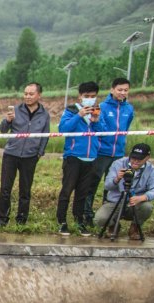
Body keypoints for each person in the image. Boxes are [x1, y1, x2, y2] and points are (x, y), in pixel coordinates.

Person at [0, 82, 50, 226]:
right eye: (25, 93)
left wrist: (39, 153)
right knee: (5, 188)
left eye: (31, 94)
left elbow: (45, 136)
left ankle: (21, 219)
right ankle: (3, 219)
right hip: (11, 154)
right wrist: (7, 120)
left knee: (25, 190)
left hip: (30, 157)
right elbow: (2, 130)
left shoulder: (44, 115)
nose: (27, 96)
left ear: (39, 95)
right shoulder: (16, 110)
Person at [85, 77, 135, 223]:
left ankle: (109, 216)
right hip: (101, 152)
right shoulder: (102, 107)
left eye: (125, 90)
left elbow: (126, 127)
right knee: (93, 183)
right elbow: (98, 127)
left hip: (118, 154)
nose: (122, 92)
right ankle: (87, 214)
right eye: (119, 90)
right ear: (112, 89)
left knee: (113, 185)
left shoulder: (129, 109)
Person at [56, 81, 103, 236]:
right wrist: (79, 115)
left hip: (91, 158)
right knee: (67, 190)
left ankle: (79, 221)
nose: (90, 99)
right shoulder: (70, 110)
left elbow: (102, 132)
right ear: (80, 96)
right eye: (87, 96)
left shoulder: (97, 111)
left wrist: (95, 122)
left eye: (93, 96)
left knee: (83, 193)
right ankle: (61, 221)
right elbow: (63, 129)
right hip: (73, 157)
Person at [94, 143, 154, 241]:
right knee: (99, 219)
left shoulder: (151, 169)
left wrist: (142, 197)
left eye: (139, 159)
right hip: (115, 202)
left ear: (147, 158)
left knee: (147, 207)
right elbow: (107, 185)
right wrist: (116, 179)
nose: (135, 161)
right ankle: (113, 226)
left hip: (135, 203)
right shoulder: (118, 164)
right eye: (133, 158)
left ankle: (135, 228)